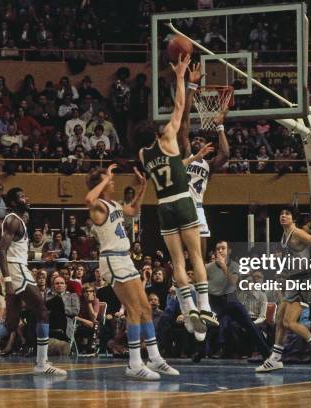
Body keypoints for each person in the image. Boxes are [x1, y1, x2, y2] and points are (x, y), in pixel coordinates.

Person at [139, 54, 217, 343]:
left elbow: (170, 167)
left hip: (163, 206)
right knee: (196, 255)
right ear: (158, 131)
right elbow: (181, 106)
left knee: (176, 262)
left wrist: (193, 158)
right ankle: (205, 307)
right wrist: (182, 77)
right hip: (185, 200)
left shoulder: (142, 155)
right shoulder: (169, 137)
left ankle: (187, 308)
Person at [0, 187, 66, 376]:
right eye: (22, 196)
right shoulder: (13, 220)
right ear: (14, 202)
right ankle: (41, 363)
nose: (27, 198)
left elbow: (20, 251)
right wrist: (7, 280)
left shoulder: (20, 221)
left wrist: (41, 255)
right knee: (42, 311)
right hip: (16, 271)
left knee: (10, 325)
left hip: (18, 268)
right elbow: (1, 251)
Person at [85, 164, 177, 380]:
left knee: (145, 307)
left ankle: (154, 357)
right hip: (112, 260)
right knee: (134, 309)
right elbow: (88, 199)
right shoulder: (97, 206)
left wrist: (143, 187)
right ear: (101, 184)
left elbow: (133, 210)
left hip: (124, 258)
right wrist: (103, 179)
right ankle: (135, 363)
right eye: (109, 179)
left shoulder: (113, 204)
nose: (113, 181)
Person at [257, 206, 311, 373]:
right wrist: (283, 273)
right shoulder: (285, 236)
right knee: (279, 321)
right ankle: (275, 358)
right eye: (281, 213)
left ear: (294, 218)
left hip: (304, 281)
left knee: (289, 322)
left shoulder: (297, 233)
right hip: (293, 280)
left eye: (287, 214)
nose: (283, 216)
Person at [177, 62, 230, 257]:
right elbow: (184, 122)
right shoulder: (186, 154)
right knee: (182, 254)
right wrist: (191, 87)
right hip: (182, 205)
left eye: (201, 139)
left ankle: (202, 286)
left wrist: (219, 127)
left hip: (198, 207)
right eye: (195, 138)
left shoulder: (207, 165)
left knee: (201, 256)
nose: (197, 140)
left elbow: (225, 154)